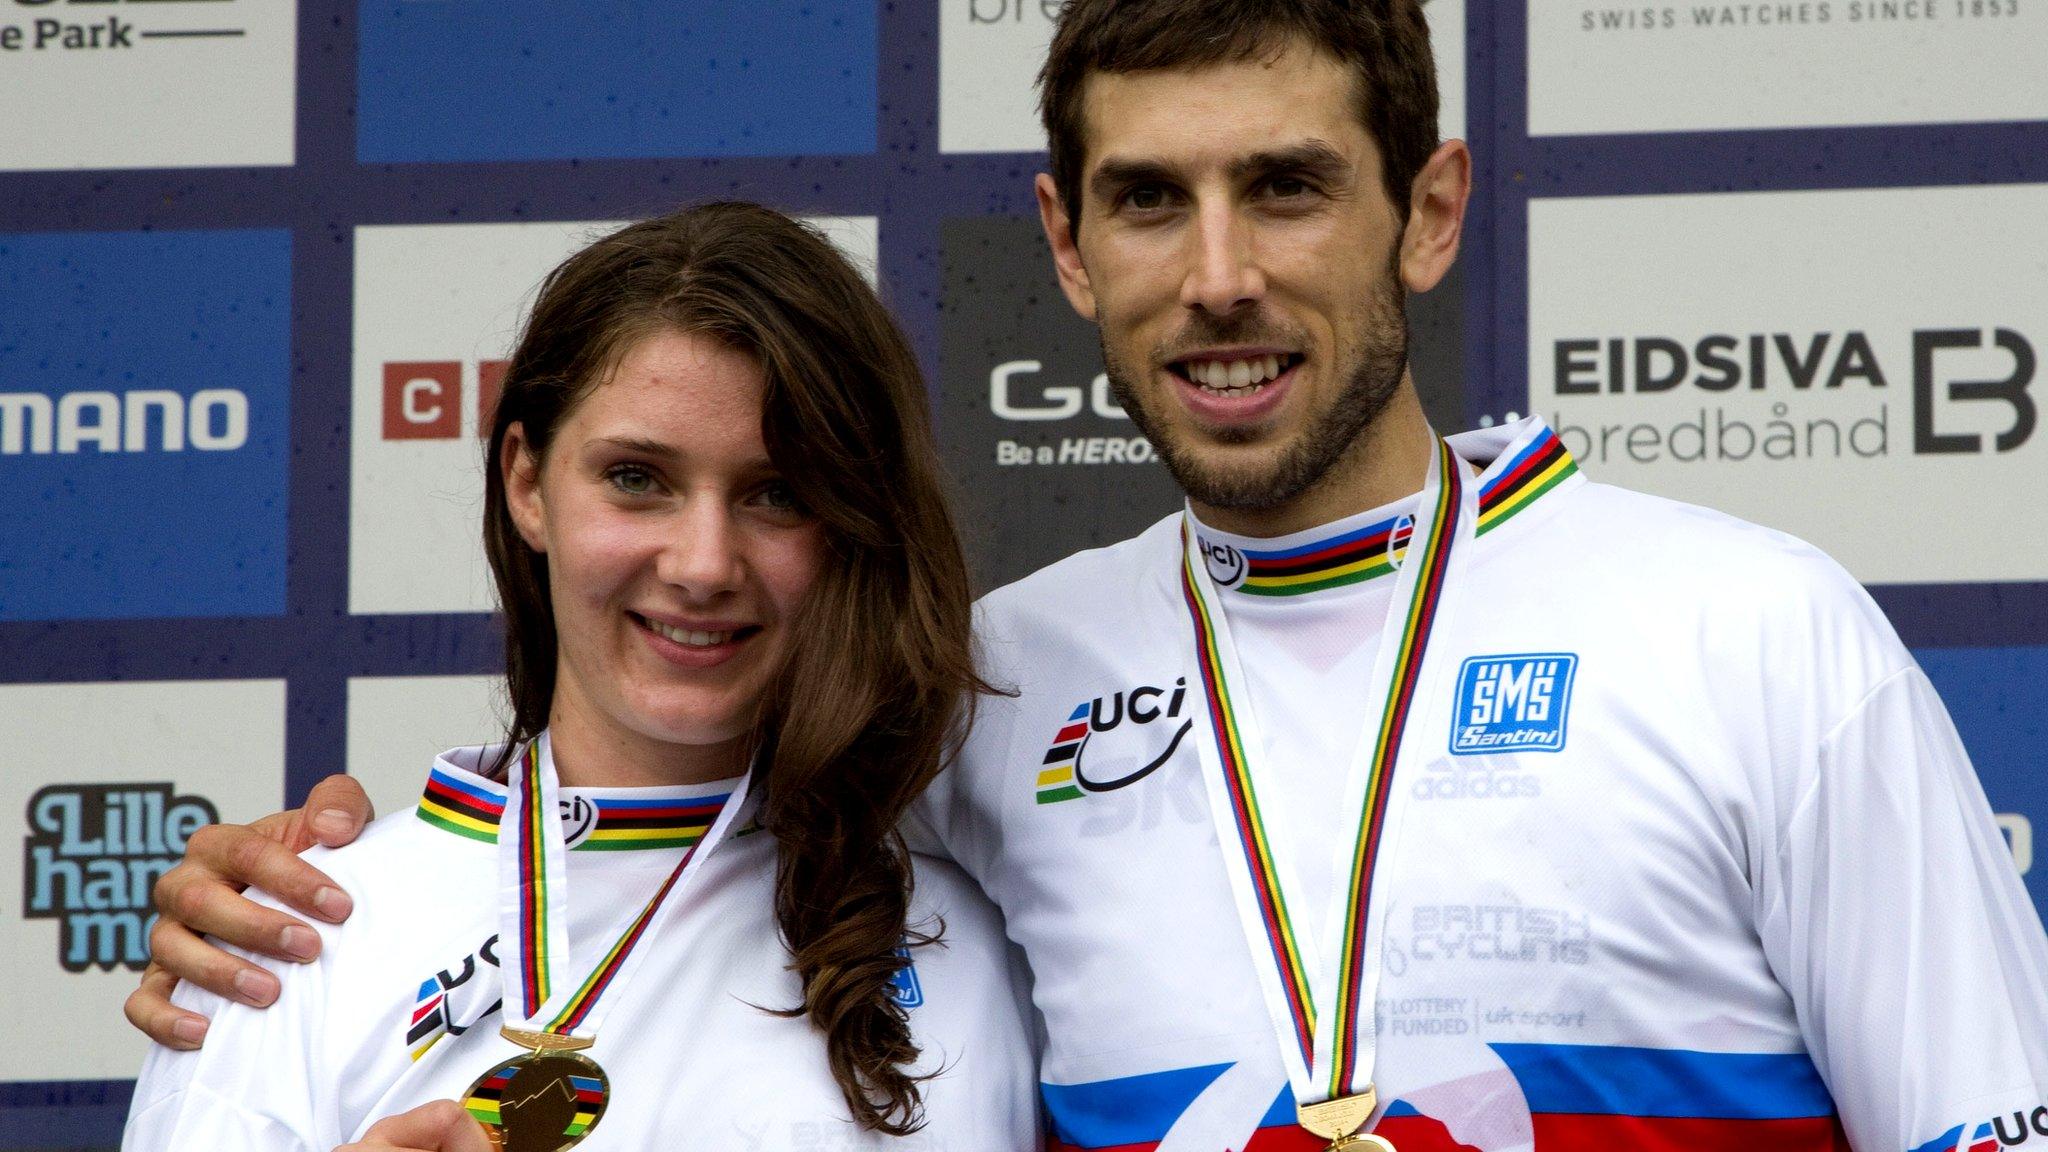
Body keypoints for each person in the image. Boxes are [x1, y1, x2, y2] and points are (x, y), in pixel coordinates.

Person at [131, 3, 2048, 1150]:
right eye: (1149, 197)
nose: (1216, 273)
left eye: (1286, 184)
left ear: (1431, 208)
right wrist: (293, 888)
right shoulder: (989, 694)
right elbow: (631, 829)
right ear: (1065, 244)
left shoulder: (1748, 627)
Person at [120, 202, 1038, 1151]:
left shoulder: (994, 922)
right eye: (638, 478)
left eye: (779, 493)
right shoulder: (298, 937)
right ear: (526, 482)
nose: (703, 563)